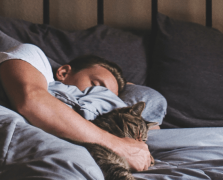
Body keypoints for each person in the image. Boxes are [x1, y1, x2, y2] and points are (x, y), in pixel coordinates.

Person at [0, 43, 153, 171]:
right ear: (64, 72)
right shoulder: (35, 57)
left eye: (109, 96)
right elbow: (32, 99)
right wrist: (118, 146)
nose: (99, 96)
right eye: (96, 85)